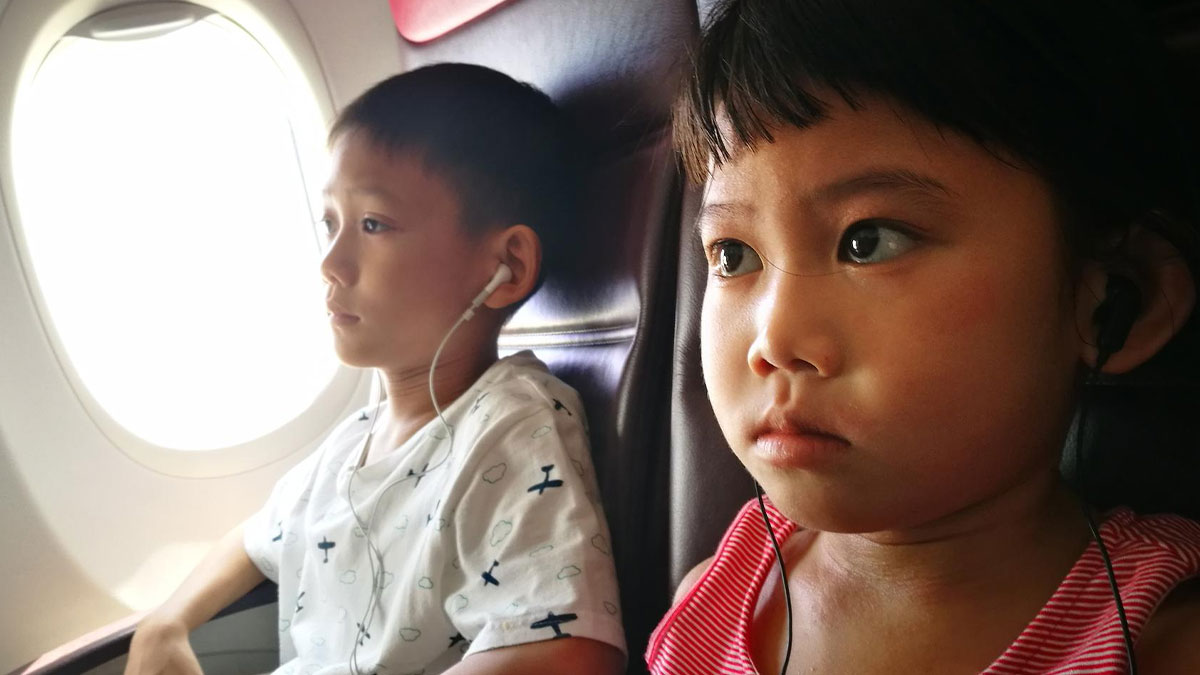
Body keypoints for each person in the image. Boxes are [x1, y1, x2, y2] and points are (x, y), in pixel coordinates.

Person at [647, 1, 1200, 673]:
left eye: (868, 241)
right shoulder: (709, 599)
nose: (775, 338)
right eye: (733, 255)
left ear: (1113, 299)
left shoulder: (1160, 644)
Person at [126, 63, 625, 675]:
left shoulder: (509, 426)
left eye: (373, 225)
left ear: (507, 266)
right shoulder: (354, 442)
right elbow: (261, 537)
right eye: (330, 225)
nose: (331, 263)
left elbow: (572, 652)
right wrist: (165, 624)